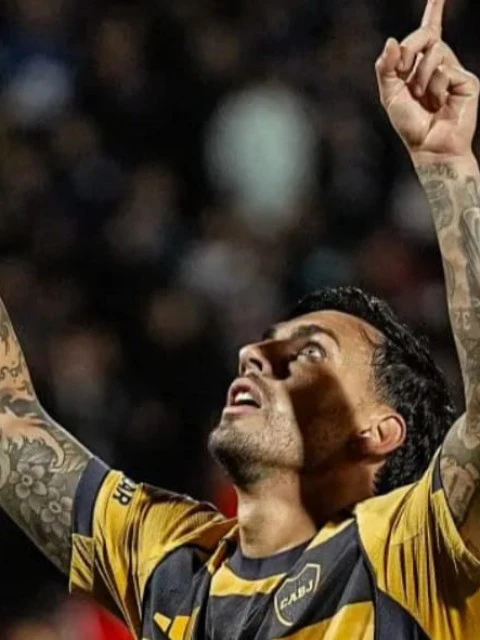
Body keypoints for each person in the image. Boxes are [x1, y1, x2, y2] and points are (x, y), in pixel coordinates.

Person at [0, 0, 480, 637]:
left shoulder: (410, 554)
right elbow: (10, 419)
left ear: (376, 433)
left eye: (310, 354)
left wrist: (448, 167)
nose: (253, 355)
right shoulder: (172, 563)